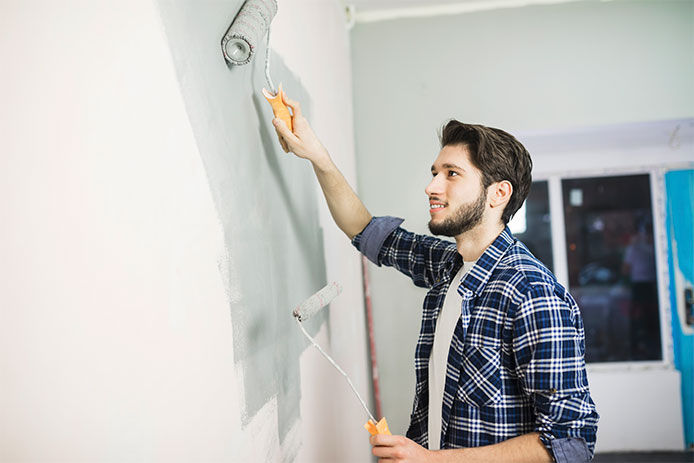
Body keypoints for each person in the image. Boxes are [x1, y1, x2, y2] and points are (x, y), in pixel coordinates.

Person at [271, 94, 599, 463]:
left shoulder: (532, 293)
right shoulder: (449, 265)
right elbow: (364, 230)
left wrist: (429, 460)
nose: (432, 187)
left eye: (452, 174)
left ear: (498, 194)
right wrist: (318, 156)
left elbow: (570, 445)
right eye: (434, 173)